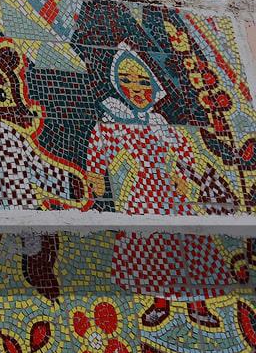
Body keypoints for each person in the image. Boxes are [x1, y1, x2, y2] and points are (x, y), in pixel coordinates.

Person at [86, 45, 233, 328]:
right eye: (126, 80)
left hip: (170, 193)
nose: (136, 88)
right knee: (151, 246)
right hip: (143, 192)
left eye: (144, 81)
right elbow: (101, 144)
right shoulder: (117, 118)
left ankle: (197, 305)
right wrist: (96, 174)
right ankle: (160, 302)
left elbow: (183, 149)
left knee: (187, 243)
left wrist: (181, 174)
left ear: (155, 86)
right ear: (117, 84)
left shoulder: (158, 121)